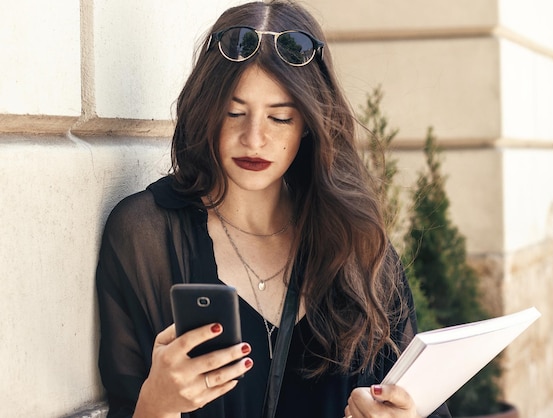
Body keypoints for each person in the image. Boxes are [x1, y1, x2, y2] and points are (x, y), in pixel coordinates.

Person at [96, 1, 451, 417]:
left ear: (309, 125)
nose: (254, 138)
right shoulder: (146, 235)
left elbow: (420, 402)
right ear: (204, 113)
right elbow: (126, 403)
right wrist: (156, 406)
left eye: (280, 118)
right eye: (234, 112)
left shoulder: (356, 241)